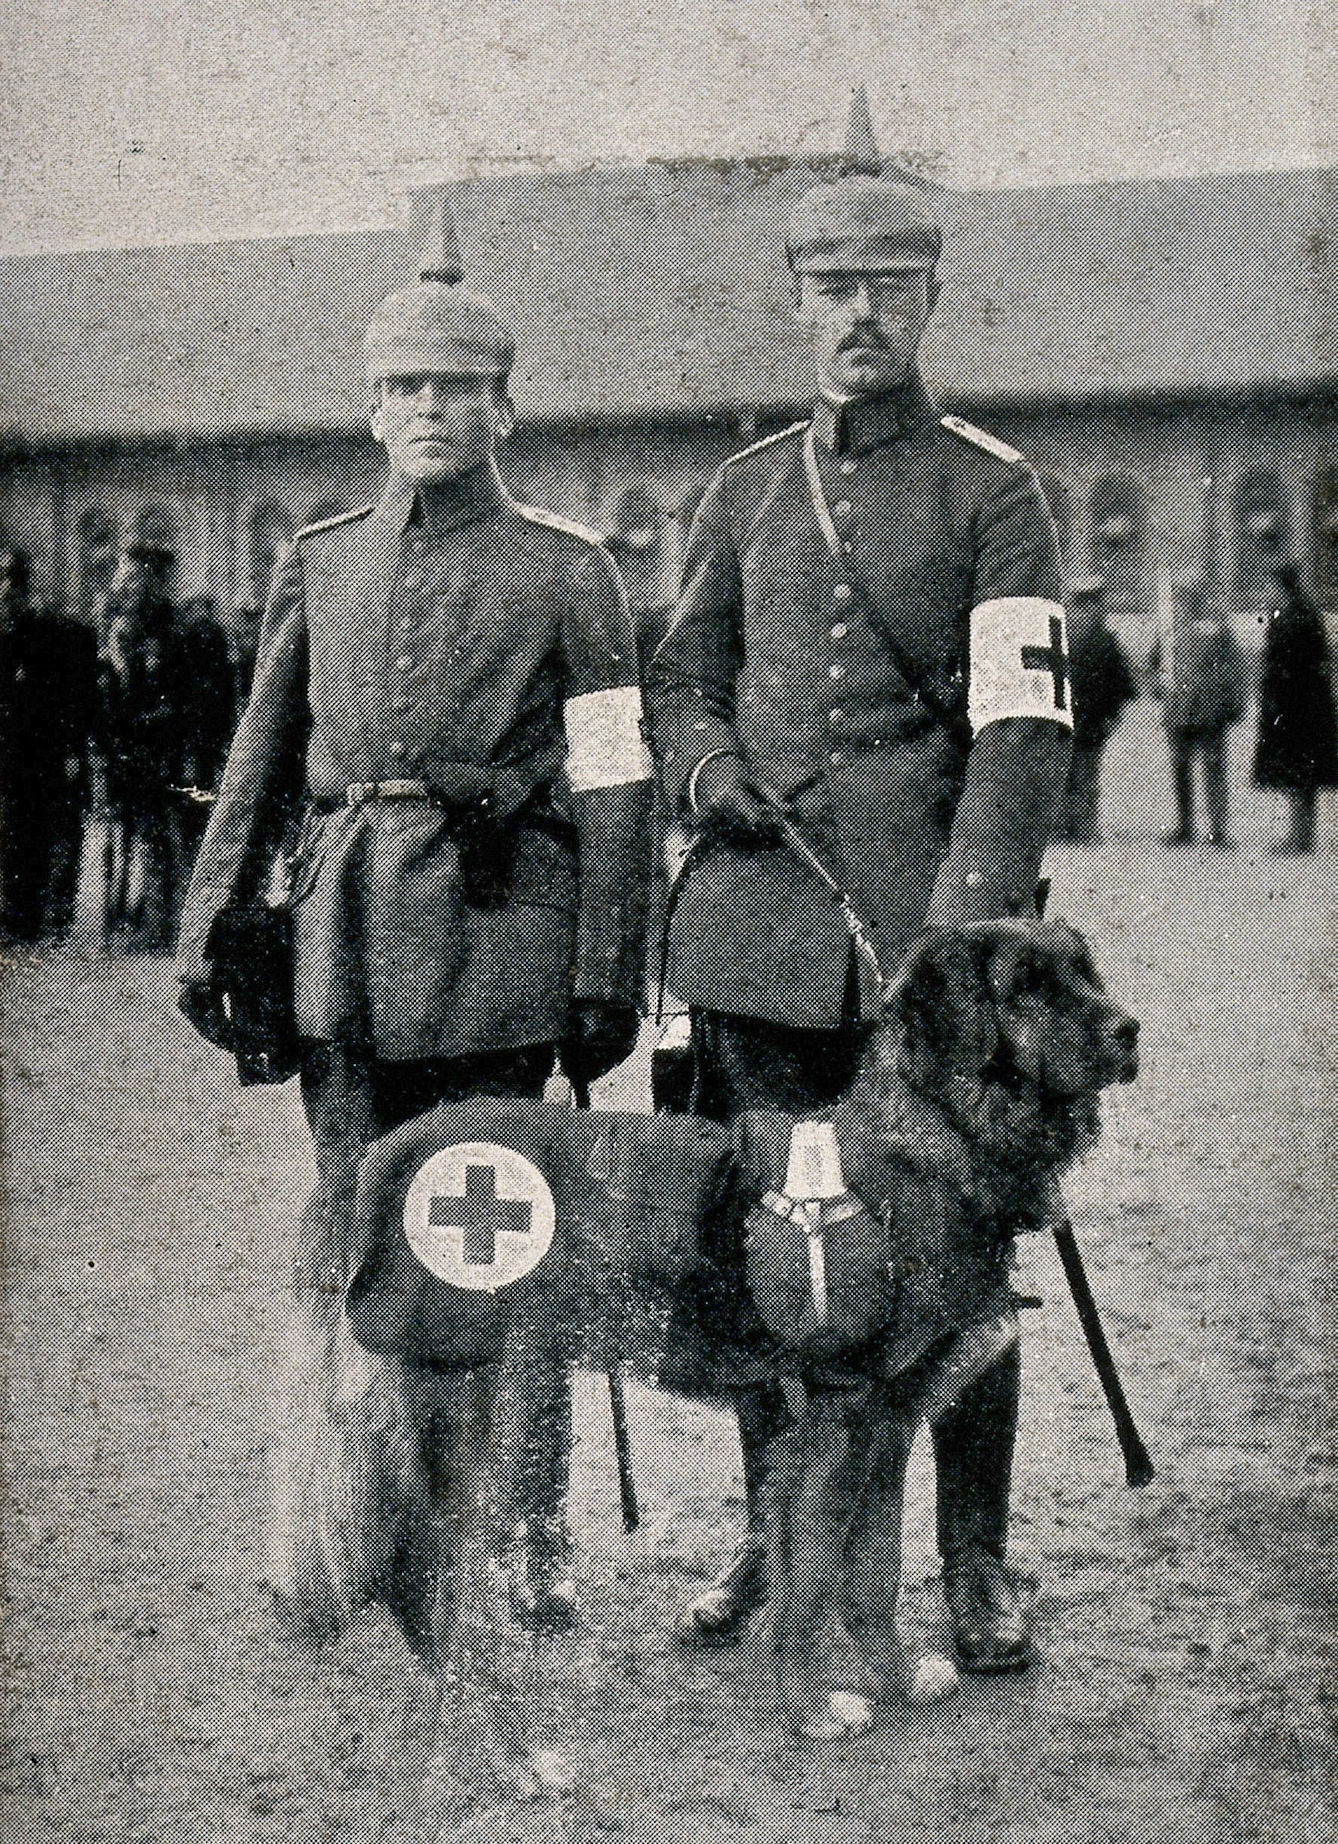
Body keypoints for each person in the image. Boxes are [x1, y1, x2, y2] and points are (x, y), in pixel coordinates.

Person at [175, 204, 651, 1624]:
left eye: (454, 386)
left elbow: (618, 780)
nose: (428, 410)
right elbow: (262, 758)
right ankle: (356, 1531)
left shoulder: (571, 567)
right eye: (402, 387)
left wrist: (606, 966)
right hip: (344, 955)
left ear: (504, 404)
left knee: (502, 1244)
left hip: (502, 947)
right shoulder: (319, 558)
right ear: (372, 406)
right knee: (351, 1236)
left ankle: (523, 1534)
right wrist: (208, 918)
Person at [644, 163, 1073, 1673]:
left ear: (929, 301)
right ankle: (774, 1541)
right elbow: (680, 675)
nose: (859, 314)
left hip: (929, 962)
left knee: (958, 1266)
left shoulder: (991, 490)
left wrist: (955, 941)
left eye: (888, 287)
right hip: (759, 939)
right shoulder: (746, 488)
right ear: (797, 306)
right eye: (832, 288)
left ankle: (973, 1566)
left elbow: (1022, 736)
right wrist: (705, 768)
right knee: (774, 1249)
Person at [97, 539, 193, 946]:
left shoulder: (177, 632)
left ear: (155, 581)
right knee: (137, 837)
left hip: (165, 753)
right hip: (130, 753)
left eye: (134, 577)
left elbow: (186, 703)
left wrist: (146, 725)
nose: (125, 586)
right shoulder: (126, 633)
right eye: (124, 577)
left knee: (164, 839)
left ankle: (161, 925)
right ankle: (139, 916)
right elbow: (116, 692)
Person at [0, 546, 98, 940]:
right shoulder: (9, 633)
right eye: (3, 583)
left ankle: (48, 915)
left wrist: (75, 748)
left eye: (14, 584)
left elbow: (71, 697)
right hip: (12, 753)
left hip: (49, 750)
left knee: (49, 831)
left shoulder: (54, 633)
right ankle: (16, 916)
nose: (8, 592)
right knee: (14, 833)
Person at [1149, 580, 1247, 849]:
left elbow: (1233, 669)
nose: (1185, 604)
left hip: (1208, 712)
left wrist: (1233, 704)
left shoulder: (1216, 629)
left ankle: (1218, 829)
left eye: (1190, 599)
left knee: (1213, 770)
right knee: (1181, 769)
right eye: (1182, 599)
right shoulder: (1168, 631)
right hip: (1178, 711)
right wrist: (1159, 684)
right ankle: (1185, 826)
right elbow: (1153, 663)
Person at [1253, 557, 1337, 853]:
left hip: (1298, 705)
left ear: (1282, 587)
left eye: (1270, 586)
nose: (1267, 592)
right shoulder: (1296, 613)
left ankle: (1301, 837)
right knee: (1298, 770)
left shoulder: (1296, 617)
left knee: (1301, 770)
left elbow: (1290, 662)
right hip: (1298, 703)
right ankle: (1299, 833)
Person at [1061, 577, 1137, 843]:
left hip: (1092, 719)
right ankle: (1068, 827)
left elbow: (1121, 683)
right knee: (1068, 774)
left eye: (1091, 606)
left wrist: (1111, 716)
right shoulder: (1060, 637)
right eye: (1082, 605)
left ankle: (1083, 826)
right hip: (1067, 718)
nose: (1086, 612)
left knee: (1086, 773)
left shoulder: (1105, 641)